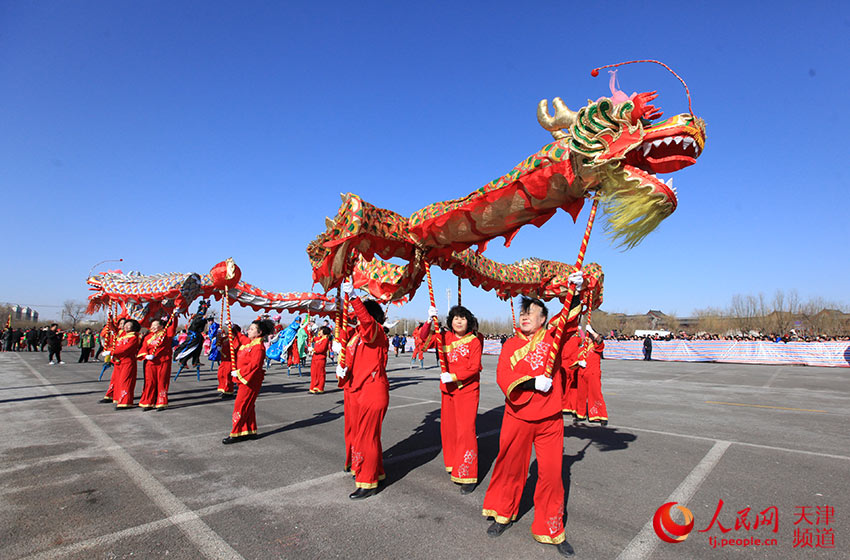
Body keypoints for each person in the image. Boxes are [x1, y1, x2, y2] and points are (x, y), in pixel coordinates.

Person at [481, 272, 584, 558]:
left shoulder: (554, 338)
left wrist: (574, 291)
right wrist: (530, 382)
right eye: (523, 312)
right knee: (510, 468)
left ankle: (551, 529)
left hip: (550, 420)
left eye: (532, 312)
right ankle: (503, 514)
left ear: (543, 319)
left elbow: (569, 319)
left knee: (551, 474)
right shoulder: (511, 345)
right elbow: (504, 376)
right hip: (517, 416)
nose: (526, 316)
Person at [419, 304, 483, 494]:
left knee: (466, 431)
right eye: (455, 318)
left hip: (467, 391)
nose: (459, 321)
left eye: (462, 317)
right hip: (447, 391)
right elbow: (424, 339)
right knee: (448, 430)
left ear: (468, 321)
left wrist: (455, 376)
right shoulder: (444, 337)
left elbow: (474, 367)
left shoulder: (474, 341)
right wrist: (430, 321)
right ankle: (454, 464)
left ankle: (468, 474)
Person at [336, 281, 389, 500]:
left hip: (372, 390)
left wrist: (355, 298)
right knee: (362, 436)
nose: (358, 317)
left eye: (362, 313)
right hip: (357, 389)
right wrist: (342, 368)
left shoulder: (375, 332)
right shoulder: (357, 336)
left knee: (367, 437)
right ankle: (374, 471)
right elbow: (352, 361)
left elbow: (366, 322)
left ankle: (368, 483)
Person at [222, 319, 274, 444]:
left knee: (241, 405)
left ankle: (236, 432)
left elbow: (255, 366)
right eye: (249, 329)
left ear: (259, 332)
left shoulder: (258, 348)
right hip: (245, 380)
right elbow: (240, 336)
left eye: (251, 329)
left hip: (250, 381)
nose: (249, 331)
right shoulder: (250, 343)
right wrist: (232, 327)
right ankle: (249, 431)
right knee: (248, 406)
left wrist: (240, 372)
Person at [137, 311, 179, 411]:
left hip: (163, 362)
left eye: (156, 325)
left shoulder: (166, 334)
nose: (154, 327)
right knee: (149, 382)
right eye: (152, 325)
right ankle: (148, 402)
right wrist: (146, 355)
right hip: (150, 363)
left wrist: (175, 317)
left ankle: (161, 402)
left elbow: (172, 327)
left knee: (162, 381)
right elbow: (143, 348)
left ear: (161, 326)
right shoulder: (148, 337)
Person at [576, 325, 608, 425]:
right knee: (581, 396)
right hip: (582, 374)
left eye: (589, 337)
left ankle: (600, 415)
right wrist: (578, 363)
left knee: (595, 394)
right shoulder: (581, 350)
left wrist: (592, 331)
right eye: (586, 337)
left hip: (593, 374)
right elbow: (573, 361)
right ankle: (580, 414)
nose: (587, 339)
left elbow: (600, 341)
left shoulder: (596, 347)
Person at [111, 319, 142, 409]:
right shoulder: (122, 336)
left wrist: (112, 352)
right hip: (120, 361)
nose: (126, 326)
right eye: (125, 325)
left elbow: (125, 349)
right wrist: (111, 317)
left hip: (128, 361)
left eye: (129, 325)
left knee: (126, 381)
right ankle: (119, 399)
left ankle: (126, 402)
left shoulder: (134, 337)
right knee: (119, 381)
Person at [99, 317, 126, 402]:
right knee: (115, 378)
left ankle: (121, 396)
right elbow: (110, 327)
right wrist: (110, 319)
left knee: (122, 379)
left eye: (124, 324)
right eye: (120, 324)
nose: (122, 326)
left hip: (123, 358)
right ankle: (112, 394)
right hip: (115, 357)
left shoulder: (129, 334)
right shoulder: (117, 332)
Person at [215, 324, 241, 398]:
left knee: (228, 376)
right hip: (224, 360)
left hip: (231, 361)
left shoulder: (236, 339)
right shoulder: (226, 338)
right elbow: (218, 341)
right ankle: (223, 389)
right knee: (220, 375)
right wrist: (218, 336)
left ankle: (228, 391)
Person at [309, 326, 332, 393]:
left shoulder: (325, 340)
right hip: (315, 358)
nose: (319, 332)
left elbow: (321, 349)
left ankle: (320, 387)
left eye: (321, 331)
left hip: (320, 358)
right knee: (313, 373)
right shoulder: (319, 339)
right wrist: (310, 331)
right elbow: (312, 339)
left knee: (320, 373)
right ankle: (313, 387)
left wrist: (313, 350)